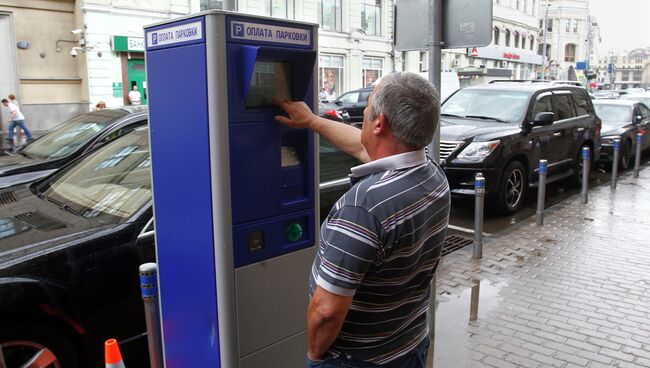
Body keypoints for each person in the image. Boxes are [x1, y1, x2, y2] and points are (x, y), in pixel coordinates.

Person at [274, 72, 450, 368]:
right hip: (409, 345)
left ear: (379, 123)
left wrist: (316, 357)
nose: (363, 118)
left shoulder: (364, 206)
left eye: (367, 111)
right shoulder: (431, 173)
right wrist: (312, 121)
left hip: (358, 360)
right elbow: (362, 145)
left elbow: (327, 310)